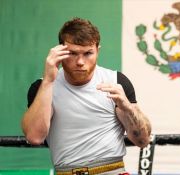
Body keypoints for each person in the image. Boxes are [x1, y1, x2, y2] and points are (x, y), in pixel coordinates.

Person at [21, 17, 151, 175]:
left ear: (98, 51)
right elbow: (35, 137)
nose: (80, 62)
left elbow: (142, 141)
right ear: (59, 52)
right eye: (73, 53)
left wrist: (128, 108)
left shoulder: (116, 82)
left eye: (88, 53)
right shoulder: (43, 87)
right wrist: (48, 81)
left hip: (112, 170)